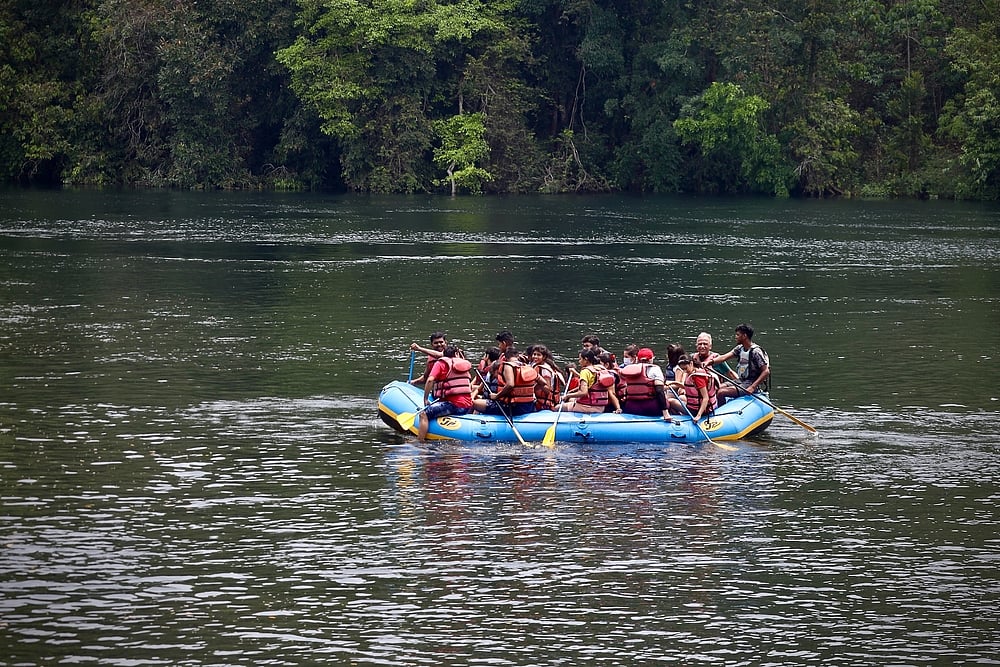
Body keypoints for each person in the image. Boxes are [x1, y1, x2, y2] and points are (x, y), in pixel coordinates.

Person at [418, 345, 474, 441]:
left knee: (423, 414)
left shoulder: (441, 363)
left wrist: (425, 399)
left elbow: (430, 380)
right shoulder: (463, 364)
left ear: (444, 354)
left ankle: (420, 442)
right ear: (456, 354)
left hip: (454, 406)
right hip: (468, 406)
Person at [473, 347, 538, 417]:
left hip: (512, 407)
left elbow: (510, 385)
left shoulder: (508, 366)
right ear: (518, 356)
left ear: (505, 357)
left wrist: (496, 396)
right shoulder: (527, 367)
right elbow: (543, 382)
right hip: (528, 406)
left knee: (475, 403)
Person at [712, 323, 771, 399]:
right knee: (718, 388)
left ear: (744, 336)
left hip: (751, 383)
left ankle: (722, 411)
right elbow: (724, 357)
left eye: (737, 335)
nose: (735, 337)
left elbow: (766, 371)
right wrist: (710, 362)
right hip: (741, 380)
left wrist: (753, 387)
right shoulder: (740, 348)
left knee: (721, 392)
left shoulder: (756, 352)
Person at [558, 348, 621, 414]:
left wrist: (568, 395)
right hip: (601, 407)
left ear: (586, 359)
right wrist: (618, 408)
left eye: (580, 359)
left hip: (588, 407)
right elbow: (593, 384)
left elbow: (584, 392)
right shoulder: (600, 369)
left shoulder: (585, 372)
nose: (579, 362)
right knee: (571, 399)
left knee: (557, 407)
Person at [619, 347, 670, 419]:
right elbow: (659, 391)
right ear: (651, 359)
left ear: (638, 359)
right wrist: (666, 414)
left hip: (631, 408)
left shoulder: (630, 369)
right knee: (669, 402)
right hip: (651, 408)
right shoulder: (655, 369)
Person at [529, 344, 565, 410]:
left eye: (538, 355)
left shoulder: (545, 370)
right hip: (540, 400)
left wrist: (538, 380)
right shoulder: (536, 365)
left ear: (544, 357)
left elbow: (547, 390)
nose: (535, 356)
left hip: (545, 404)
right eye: (534, 354)